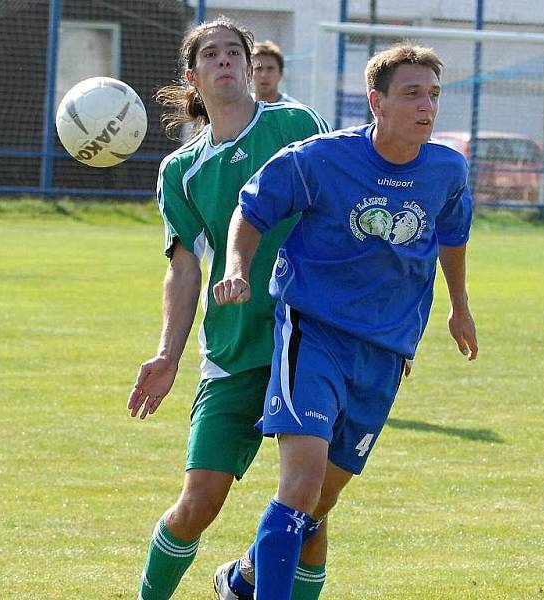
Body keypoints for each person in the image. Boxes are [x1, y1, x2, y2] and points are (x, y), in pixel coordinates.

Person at [213, 43, 479, 599]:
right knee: (302, 483)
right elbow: (251, 209)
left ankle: (243, 578)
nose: (426, 107)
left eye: (433, 95)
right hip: (313, 333)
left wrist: (459, 305)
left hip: (384, 349)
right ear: (375, 102)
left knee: (323, 499)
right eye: (411, 95)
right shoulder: (322, 159)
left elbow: (451, 238)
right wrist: (237, 267)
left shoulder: (448, 170)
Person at [126, 17, 330, 600]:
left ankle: (247, 579)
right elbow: (185, 266)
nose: (224, 62)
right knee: (199, 502)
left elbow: (337, 209)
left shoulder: (296, 125)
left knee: (310, 509)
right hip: (235, 346)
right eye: (210, 55)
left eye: (233, 53)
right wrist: (166, 354)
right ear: (192, 75)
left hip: (312, 341)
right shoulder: (181, 171)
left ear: (249, 65)